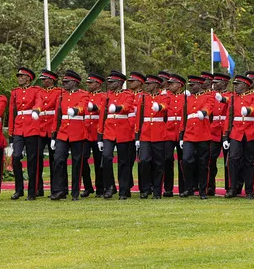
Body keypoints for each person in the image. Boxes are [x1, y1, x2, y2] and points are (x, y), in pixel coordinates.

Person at [52, 70, 91, 201]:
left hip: (77, 132)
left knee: (77, 163)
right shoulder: (61, 96)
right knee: (58, 160)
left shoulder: (83, 94)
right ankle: (59, 190)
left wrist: (75, 110)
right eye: (63, 82)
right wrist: (54, 135)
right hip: (63, 132)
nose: (64, 84)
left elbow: (83, 107)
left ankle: (75, 192)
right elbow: (57, 117)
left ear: (74, 82)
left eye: (66, 82)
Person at [100, 71, 139, 199]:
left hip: (123, 130)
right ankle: (109, 186)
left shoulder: (128, 95)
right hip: (109, 131)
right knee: (106, 158)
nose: (109, 84)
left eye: (112, 82)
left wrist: (117, 108)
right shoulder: (106, 96)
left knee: (123, 161)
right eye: (109, 82)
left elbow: (127, 107)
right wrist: (100, 136)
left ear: (120, 83)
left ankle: (124, 189)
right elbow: (102, 116)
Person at [8, 67, 42, 200]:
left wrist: (36, 110)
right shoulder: (15, 92)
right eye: (18, 76)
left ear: (28, 78)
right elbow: (12, 112)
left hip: (32, 127)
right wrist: (11, 132)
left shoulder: (35, 90)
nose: (19, 78)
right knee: (16, 157)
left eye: (22, 76)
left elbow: (39, 101)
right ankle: (19, 189)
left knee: (32, 160)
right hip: (19, 128)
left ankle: (32, 191)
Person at [224, 75, 254, 198]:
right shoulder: (233, 98)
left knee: (249, 161)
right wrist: (226, 135)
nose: (235, 87)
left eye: (238, 84)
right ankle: (232, 188)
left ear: (245, 85)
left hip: (249, 131)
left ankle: (250, 190)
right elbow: (229, 117)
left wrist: (248, 110)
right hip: (236, 131)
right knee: (233, 159)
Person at [180, 75, 216, 199]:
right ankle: (189, 187)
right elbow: (183, 117)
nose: (191, 87)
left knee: (203, 163)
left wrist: (204, 112)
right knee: (186, 160)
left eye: (193, 85)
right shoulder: (188, 99)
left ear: (200, 85)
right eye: (190, 85)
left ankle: (202, 190)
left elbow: (210, 106)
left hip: (203, 134)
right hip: (189, 134)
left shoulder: (208, 96)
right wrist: (181, 135)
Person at [136, 74, 168, 199]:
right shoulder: (143, 98)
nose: (147, 86)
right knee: (144, 161)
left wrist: (159, 107)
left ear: (155, 85)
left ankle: (157, 191)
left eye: (149, 84)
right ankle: (145, 189)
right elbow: (139, 117)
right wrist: (137, 135)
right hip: (145, 134)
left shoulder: (163, 97)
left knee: (158, 164)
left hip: (158, 135)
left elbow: (165, 107)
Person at [36, 70, 61, 198]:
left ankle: (55, 188)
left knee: (54, 160)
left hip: (52, 126)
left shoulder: (58, 92)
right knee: (38, 158)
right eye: (42, 79)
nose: (43, 81)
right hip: (40, 128)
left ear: (52, 80)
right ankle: (38, 188)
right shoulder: (39, 92)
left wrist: (55, 131)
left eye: (46, 79)